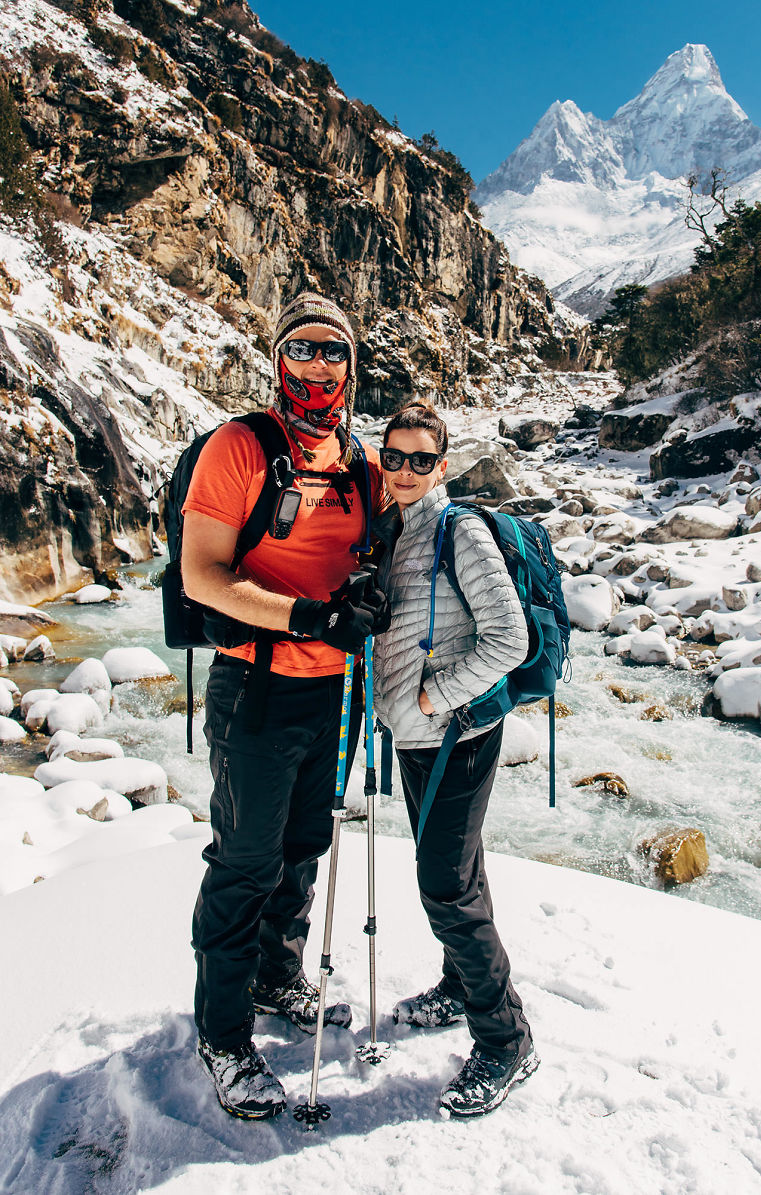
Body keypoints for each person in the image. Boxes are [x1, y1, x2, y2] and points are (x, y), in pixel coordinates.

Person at [181, 291, 386, 1120]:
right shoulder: (241, 447)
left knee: (303, 846)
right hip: (257, 687)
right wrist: (306, 616)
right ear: (278, 358)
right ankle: (223, 1033)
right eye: (302, 347)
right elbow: (203, 573)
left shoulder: (359, 461)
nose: (318, 364)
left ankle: (276, 976)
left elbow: (377, 556)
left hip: (335, 693)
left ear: (351, 364)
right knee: (245, 860)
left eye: (334, 350)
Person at [372, 402, 538, 1119]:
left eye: (420, 459)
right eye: (394, 457)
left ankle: (506, 1039)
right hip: (417, 736)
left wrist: (435, 696)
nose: (405, 470)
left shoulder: (458, 530)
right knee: (459, 872)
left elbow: (510, 638)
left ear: (441, 466)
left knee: (444, 883)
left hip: (458, 735)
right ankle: (458, 983)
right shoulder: (396, 530)